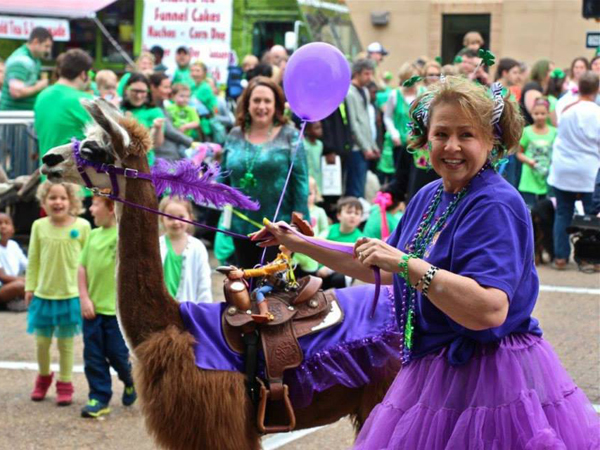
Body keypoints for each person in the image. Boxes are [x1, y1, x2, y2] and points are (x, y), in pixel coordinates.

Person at [255, 76, 599, 449]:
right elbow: (381, 264)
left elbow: (489, 309)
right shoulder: (429, 195)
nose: (452, 146)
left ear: (492, 141)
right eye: (441, 134)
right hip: (434, 366)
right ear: (426, 138)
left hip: (492, 375)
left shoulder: (496, 204)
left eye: (466, 135)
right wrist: (298, 241)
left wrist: (407, 264)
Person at [221, 76, 309, 268]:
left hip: (278, 227)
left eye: (267, 101)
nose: (262, 106)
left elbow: (301, 180)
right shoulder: (234, 134)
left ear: (276, 105)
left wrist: (298, 219)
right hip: (241, 224)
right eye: (256, 100)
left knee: (271, 286)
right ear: (247, 104)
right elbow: (223, 174)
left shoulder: (290, 135)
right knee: (243, 280)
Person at [26, 182, 91, 406]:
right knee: (42, 342)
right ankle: (43, 378)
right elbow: (33, 259)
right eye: (52, 198)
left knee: (66, 344)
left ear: (72, 201)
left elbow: (88, 262)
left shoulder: (83, 226)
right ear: (44, 201)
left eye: (63, 198)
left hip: (70, 295)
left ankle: (65, 383)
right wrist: (29, 287)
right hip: (44, 295)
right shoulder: (38, 226)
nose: (58, 202)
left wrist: (87, 293)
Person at [78, 196, 136, 418]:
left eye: (95, 204)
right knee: (92, 356)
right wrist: (84, 297)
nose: (90, 209)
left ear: (111, 207)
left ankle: (130, 381)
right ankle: (99, 398)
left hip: (116, 315)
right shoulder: (92, 236)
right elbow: (81, 268)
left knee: (118, 355)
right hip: (92, 312)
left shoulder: (124, 237)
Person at [547, 71, 600, 270]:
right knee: (592, 215)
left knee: (563, 213)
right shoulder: (597, 112)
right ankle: (592, 259)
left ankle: (560, 258)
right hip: (588, 170)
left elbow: (557, 128)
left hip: (564, 168)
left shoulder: (567, 108)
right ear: (597, 89)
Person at [33, 49, 94, 161]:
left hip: (46, 174)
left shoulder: (42, 95)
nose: (91, 78)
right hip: (75, 175)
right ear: (83, 74)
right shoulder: (85, 100)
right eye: (91, 73)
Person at [158, 196, 212, 303]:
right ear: (161, 219)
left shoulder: (198, 247)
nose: (176, 222)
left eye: (181, 217)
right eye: (170, 217)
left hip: (188, 312)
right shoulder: (156, 245)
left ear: (190, 218)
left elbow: (204, 283)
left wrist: (204, 311)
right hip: (159, 309)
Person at [346, 59, 379, 199]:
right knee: (355, 188)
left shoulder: (365, 91)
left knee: (362, 185)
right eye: (366, 74)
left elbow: (366, 121)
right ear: (357, 73)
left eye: (371, 74)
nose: (369, 77)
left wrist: (373, 145)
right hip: (356, 147)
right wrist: (365, 147)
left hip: (367, 146)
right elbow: (354, 123)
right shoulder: (349, 92)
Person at [516, 98, 556, 209]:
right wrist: (529, 161)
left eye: (543, 113)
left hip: (547, 176)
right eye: (536, 113)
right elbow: (519, 153)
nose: (539, 116)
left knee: (545, 210)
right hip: (529, 176)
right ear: (531, 114)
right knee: (529, 209)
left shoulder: (554, 132)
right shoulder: (526, 131)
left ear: (548, 114)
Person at [0, 27, 52, 111]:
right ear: (35, 42)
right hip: (13, 118)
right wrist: (39, 86)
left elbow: (27, 84)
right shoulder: (21, 60)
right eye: (46, 46)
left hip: (22, 117)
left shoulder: (35, 59)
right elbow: (16, 92)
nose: (48, 51)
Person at [316, 197, 364, 289]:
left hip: (342, 271)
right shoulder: (330, 230)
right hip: (321, 267)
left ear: (361, 218)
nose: (353, 216)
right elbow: (317, 244)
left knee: (339, 279)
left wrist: (329, 269)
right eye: (349, 212)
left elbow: (350, 261)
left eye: (357, 213)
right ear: (339, 215)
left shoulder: (360, 238)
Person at [121, 72, 165, 165]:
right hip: (120, 164)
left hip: (143, 165)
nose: (138, 96)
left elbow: (156, 144)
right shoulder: (119, 109)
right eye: (135, 91)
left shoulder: (154, 111)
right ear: (126, 90)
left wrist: (157, 128)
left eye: (142, 92)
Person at [149, 72, 194, 161]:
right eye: (165, 87)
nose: (169, 91)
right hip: (162, 158)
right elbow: (169, 131)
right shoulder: (152, 108)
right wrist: (191, 142)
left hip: (172, 155)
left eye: (169, 87)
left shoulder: (163, 104)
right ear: (153, 87)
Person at [0, 213, 27, 311]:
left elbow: (27, 265)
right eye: (0, 223)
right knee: (21, 285)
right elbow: (2, 277)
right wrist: (24, 280)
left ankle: (16, 301)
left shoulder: (13, 245)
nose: (3, 226)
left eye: (6, 223)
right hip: (3, 286)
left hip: (13, 283)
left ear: (12, 229)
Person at [520, 59, 554, 125]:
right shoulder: (532, 86)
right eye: (549, 70)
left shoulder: (543, 87)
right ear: (542, 71)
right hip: (529, 129)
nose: (552, 74)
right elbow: (536, 112)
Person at [190, 60, 217, 139]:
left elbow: (193, 105)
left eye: (198, 71)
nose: (194, 73)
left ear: (204, 73)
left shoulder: (205, 87)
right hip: (195, 125)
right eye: (192, 71)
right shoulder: (193, 86)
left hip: (204, 126)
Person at [303, 121, 324, 192]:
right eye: (316, 128)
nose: (320, 130)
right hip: (307, 178)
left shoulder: (320, 144)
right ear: (308, 130)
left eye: (321, 127)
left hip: (317, 178)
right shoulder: (303, 144)